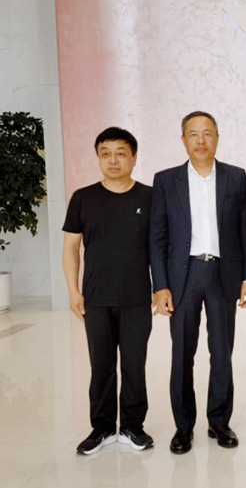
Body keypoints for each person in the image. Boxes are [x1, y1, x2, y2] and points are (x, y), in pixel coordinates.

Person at [150, 111, 246, 454]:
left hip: (224, 273)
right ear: (183, 139)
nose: (201, 140)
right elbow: (157, 236)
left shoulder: (236, 177)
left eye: (207, 133)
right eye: (193, 134)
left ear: (217, 138)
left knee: (222, 351)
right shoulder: (166, 180)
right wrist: (160, 285)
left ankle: (219, 421)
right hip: (183, 276)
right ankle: (183, 427)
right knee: (182, 353)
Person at [62, 127, 154, 455]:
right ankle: (101, 428)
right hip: (96, 299)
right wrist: (73, 291)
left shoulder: (150, 197)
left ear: (134, 158)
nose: (113, 160)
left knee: (134, 365)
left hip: (137, 298)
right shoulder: (83, 198)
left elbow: (161, 248)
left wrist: (161, 289)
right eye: (105, 153)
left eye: (121, 153)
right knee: (100, 366)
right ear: (98, 158)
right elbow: (71, 248)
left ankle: (132, 426)